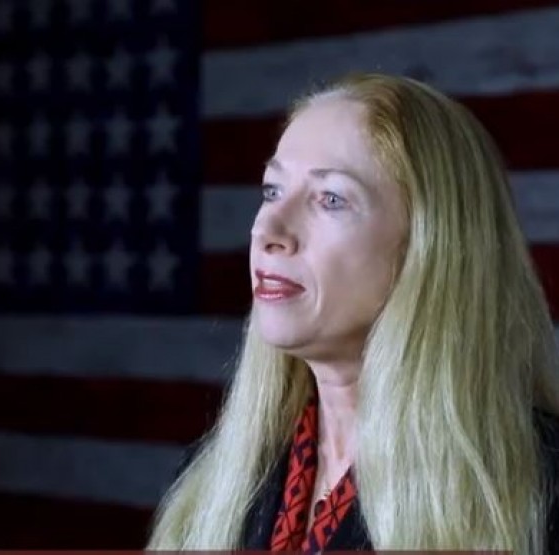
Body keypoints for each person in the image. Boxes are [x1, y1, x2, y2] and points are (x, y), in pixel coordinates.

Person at [145, 73, 559, 553]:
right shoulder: (212, 481)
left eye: (331, 199)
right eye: (272, 191)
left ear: (429, 246)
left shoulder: (541, 488)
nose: (268, 230)